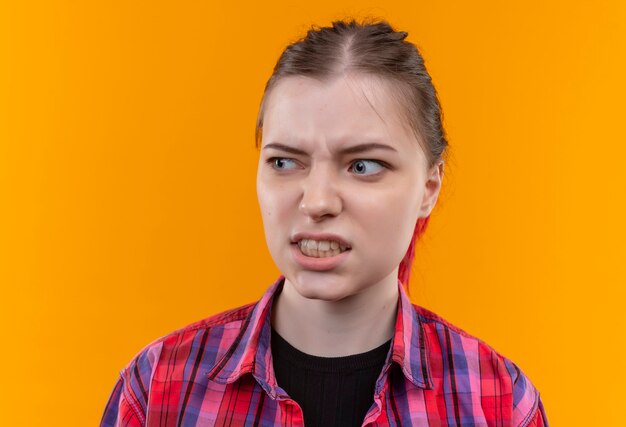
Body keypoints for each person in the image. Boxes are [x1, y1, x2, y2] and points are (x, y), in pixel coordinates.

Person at [101, 19, 549, 427]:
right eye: (283, 161)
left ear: (429, 188)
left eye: (363, 166)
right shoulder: (157, 389)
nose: (316, 202)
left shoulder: (499, 401)